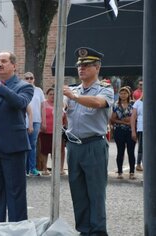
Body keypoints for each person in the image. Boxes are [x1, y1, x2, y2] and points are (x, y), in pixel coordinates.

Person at [63, 47, 113, 235]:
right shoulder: (73, 90)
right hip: (74, 146)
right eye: (79, 65)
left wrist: (74, 97)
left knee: (96, 193)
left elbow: (99, 103)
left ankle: (98, 232)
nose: (81, 69)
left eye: (86, 65)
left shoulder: (105, 89)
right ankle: (84, 230)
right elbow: (63, 106)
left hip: (94, 145)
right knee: (79, 194)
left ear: (97, 67)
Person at [0, 52, 33, 222]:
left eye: (3, 61)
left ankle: (18, 228)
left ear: (14, 66)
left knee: (15, 190)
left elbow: (20, 103)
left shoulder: (24, 86)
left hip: (13, 145)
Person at [110, 87, 136, 179]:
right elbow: (112, 119)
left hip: (131, 130)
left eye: (125, 93)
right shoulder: (116, 105)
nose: (123, 95)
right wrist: (124, 122)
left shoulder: (133, 104)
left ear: (128, 94)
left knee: (131, 151)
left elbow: (137, 116)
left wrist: (132, 121)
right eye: (121, 93)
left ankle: (132, 172)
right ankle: (120, 172)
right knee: (120, 151)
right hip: (119, 130)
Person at [40, 87, 66, 176]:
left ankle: (60, 169)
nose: (52, 96)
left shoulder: (61, 104)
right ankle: (44, 168)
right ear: (47, 95)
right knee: (45, 150)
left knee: (60, 150)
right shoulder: (43, 104)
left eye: (54, 94)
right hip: (46, 131)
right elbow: (40, 115)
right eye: (50, 94)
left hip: (59, 132)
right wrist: (42, 125)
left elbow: (65, 116)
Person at [22, 72, 44, 176]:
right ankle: (23, 168)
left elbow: (42, 106)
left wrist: (42, 121)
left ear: (34, 79)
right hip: (23, 120)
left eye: (31, 78)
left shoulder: (38, 91)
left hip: (36, 121)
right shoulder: (22, 89)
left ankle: (32, 168)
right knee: (24, 145)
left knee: (33, 145)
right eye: (27, 78)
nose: (29, 80)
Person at [130, 94, 143, 172]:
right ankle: (138, 163)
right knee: (141, 147)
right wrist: (133, 131)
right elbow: (133, 117)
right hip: (141, 127)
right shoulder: (137, 103)